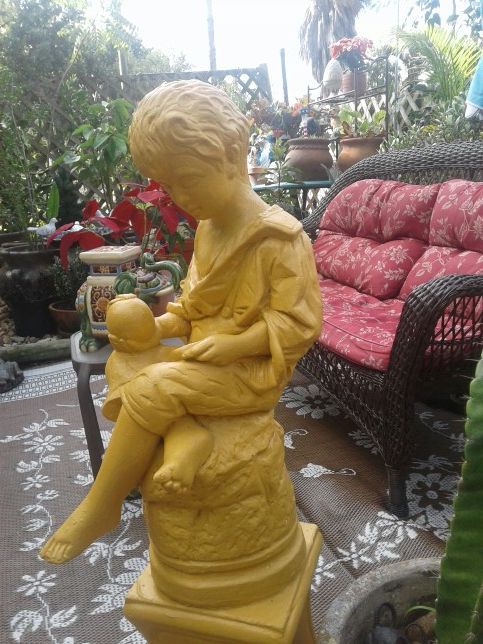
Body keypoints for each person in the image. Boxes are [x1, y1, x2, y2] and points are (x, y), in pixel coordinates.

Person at [40, 79, 322, 566]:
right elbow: (193, 306)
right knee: (127, 357)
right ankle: (184, 436)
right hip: (200, 357)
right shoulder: (210, 229)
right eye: (167, 186)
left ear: (232, 156)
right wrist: (159, 328)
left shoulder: (280, 239)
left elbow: (299, 324)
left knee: (154, 388)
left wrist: (235, 346)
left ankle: (103, 503)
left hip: (247, 371)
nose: (179, 197)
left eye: (186, 180)